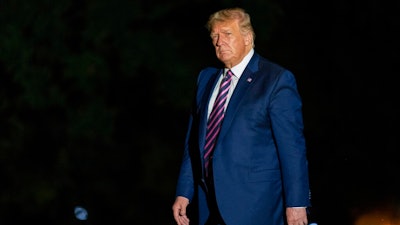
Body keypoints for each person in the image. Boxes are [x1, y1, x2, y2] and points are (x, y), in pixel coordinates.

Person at [172, 7, 311, 225]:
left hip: (256, 206)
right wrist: (184, 191)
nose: (219, 42)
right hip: (209, 205)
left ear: (247, 38)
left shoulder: (276, 80)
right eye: (214, 36)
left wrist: (296, 204)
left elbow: (292, 149)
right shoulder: (206, 79)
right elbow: (193, 142)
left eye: (227, 34)